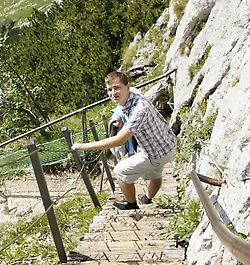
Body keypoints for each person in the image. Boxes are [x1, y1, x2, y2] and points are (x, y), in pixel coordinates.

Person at [72, 70, 177, 210]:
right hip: (165, 144)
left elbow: (119, 140)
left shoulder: (139, 110)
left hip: (154, 153)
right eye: (109, 89)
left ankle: (131, 204)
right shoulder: (133, 93)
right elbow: (120, 105)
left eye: (117, 88)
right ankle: (147, 199)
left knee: (120, 171)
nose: (113, 93)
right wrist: (117, 116)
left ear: (127, 86)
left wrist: (84, 146)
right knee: (155, 173)